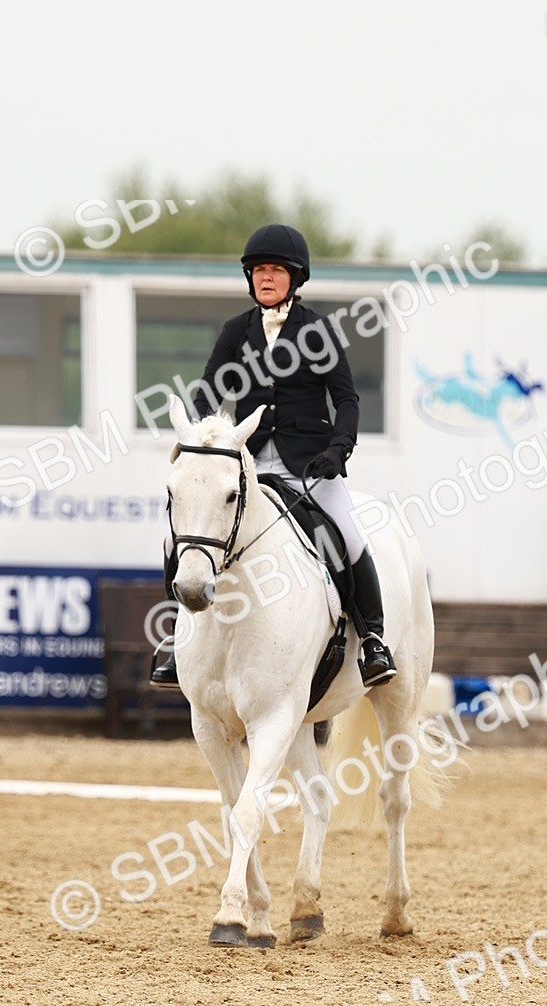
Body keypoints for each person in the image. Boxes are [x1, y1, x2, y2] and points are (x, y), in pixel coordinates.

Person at [151, 223, 396, 689]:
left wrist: (338, 448)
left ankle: (372, 641)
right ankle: (177, 644)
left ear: (295, 278)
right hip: (247, 465)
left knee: (348, 535)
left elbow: (346, 399)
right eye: (259, 270)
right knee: (175, 538)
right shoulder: (235, 331)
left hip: (308, 465)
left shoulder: (317, 331)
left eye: (276, 270)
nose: (265, 277)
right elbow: (207, 395)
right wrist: (203, 442)